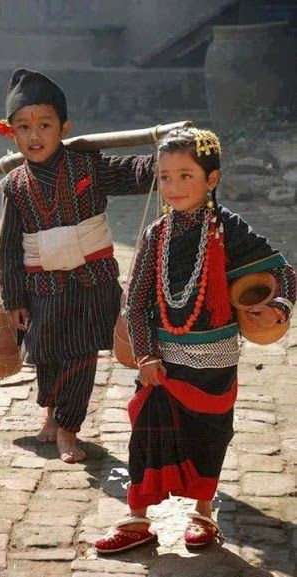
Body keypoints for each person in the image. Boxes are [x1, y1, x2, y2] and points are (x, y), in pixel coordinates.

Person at [94, 126, 296, 553]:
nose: (174, 186)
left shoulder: (229, 230)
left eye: (186, 175)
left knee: (209, 435)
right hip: (162, 363)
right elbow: (141, 303)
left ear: (213, 179)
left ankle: (202, 513)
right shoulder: (155, 235)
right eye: (165, 177)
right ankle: (137, 517)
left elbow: (285, 273)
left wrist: (278, 305)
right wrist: (146, 355)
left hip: (216, 361)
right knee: (147, 435)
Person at [0, 68, 155, 464]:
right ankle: (50, 414)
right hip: (42, 286)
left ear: (64, 127)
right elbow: (8, 248)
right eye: (24, 127)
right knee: (46, 352)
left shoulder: (88, 167)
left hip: (91, 282)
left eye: (45, 125)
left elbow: (133, 172)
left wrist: (165, 162)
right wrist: (13, 298)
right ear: (10, 133)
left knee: (80, 354)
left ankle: (69, 427)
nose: (35, 136)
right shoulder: (14, 185)